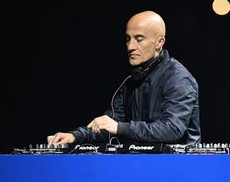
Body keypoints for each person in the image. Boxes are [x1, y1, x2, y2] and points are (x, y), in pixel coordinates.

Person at [47, 10, 201, 146]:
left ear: (159, 42)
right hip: (139, 165)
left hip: (177, 168)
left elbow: (172, 129)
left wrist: (120, 128)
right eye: (128, 39)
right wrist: (75, 136)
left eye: (139, 39)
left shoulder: (178, 78)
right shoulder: (132, 79)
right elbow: (109, 124)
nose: (130, 46)